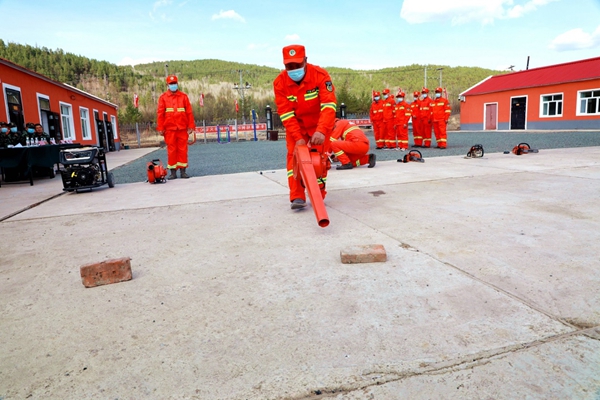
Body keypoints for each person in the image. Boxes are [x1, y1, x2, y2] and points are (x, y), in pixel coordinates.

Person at [273, 44, 337, 210]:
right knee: (294, 159)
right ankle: (297, 195)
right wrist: (298, 137)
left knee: (320, 161)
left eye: (297, 65)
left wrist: (321, 130)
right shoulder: (280, 83)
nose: (294, 69)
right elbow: (286, 114)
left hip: (319, 125)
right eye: (289, 66)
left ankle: (318, 194)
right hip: (297, 127)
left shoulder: (320, 76)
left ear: (306, 60)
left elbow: (329, 105)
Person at [156, 74, 195, 179]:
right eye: (171, 83)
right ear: (167, 85)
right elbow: (160, 114)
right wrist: (160, 128)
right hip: (169, 129)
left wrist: (191, 126)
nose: (173, 85)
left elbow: (189, 112)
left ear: (177, 84)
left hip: (182, 128)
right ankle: (173, 173)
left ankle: (183, 172)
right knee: (171, 151)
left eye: (174, 83)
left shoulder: (183, 97)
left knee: (183, 150)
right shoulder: (163, 98)